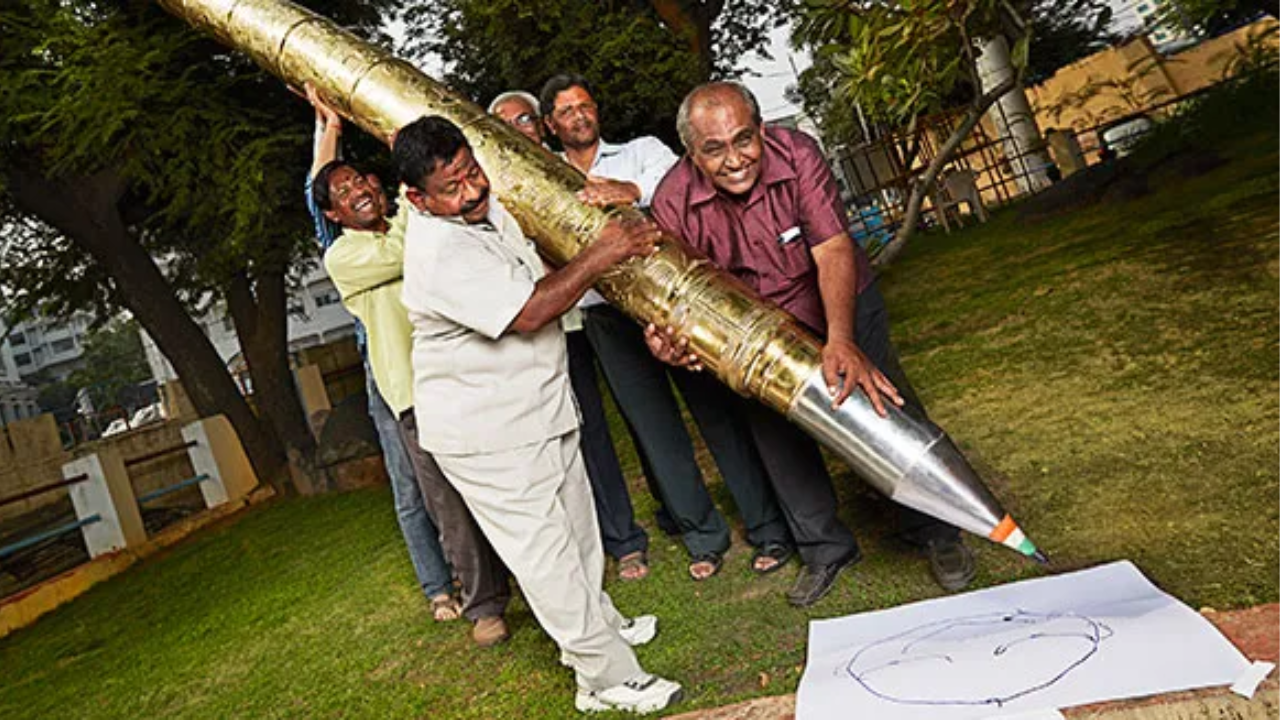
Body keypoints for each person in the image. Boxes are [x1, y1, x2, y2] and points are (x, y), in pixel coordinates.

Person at [648, 81, 977, 607]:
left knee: (885, 410)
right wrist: (666, 341)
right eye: (714, 149)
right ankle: (826, 549)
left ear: (760, 128)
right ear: (691, 153)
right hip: (755, 332)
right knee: (777, 437)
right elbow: (681, 293)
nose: (735, 160)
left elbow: (833, 248)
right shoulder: (672, 200)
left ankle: (938, 532)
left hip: (838, 298)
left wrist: (843, 340)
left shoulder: (798, 152)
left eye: (744, 139)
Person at [393, 115, 681, 714]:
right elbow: (528, 312)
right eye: (452, 188)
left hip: (537, 406)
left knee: (577, 532)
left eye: (473, 173)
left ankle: (598, 632)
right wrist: (602, 253)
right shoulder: (438, 251)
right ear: (418, 198)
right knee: (544, 558)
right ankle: (605, 678)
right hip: (486, 434)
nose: (472, 191)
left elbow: (533, 272)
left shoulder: (481, 209)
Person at [539, 73, 794, 582]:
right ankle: (703, 536)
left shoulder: (640, 153)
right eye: (567, 111)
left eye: (586, 105)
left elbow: (686, 184)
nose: (580, 116)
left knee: (716, 414)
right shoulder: (545, 177)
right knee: (656, 431)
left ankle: (768, 528)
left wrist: (628, 191)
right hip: (604, 315)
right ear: (550, 124)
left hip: (670, 303)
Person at [305, 85, 513, 647]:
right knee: (445, 504)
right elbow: (409, 252)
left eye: (362, 180)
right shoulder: (347, 256)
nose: (358, 191)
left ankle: (525, 576)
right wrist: (411, 188)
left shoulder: (415, 219)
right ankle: (483, 605)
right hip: (413, 396)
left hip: (465, 375)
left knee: (498, 481)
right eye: (343, 192)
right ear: (332, 214)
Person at [487, 89, 650, 582]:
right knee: (580, 435)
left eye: (527, 119)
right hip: (550, 327)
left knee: (637, 416)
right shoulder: (492, 192)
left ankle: (650, 527)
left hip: (599, 313)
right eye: (507, 123)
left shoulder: (573, 173)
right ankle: (611, 544)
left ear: (543, 126)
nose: (521, 128)